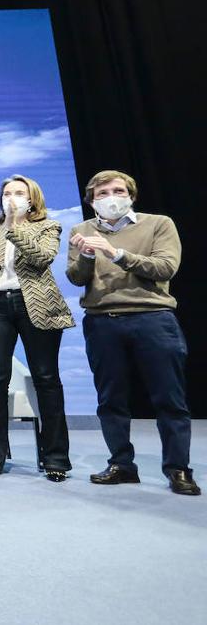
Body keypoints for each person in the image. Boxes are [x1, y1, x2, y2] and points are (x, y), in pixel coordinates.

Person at [66, 170, 198, 496]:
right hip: (102, 321)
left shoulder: (158, 224)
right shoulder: (82, 231)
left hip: (153, 318)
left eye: (118, 190)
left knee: (169, 398)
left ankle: (178, 469)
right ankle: (121, 465)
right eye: (102, 193)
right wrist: (85, 255)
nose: (111, 197)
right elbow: (76, 278)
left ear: (131, 195)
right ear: (91, 200)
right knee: (111, 399)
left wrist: (116, 253)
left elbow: (165, 267)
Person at [0, 175, 74, 481]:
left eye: (18, 193)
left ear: (32, 198)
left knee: (46, 379)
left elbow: (42, 259)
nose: (11, 198)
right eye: (6, 193)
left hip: (37, 307)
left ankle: (55, 459)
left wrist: (14, 229)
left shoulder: (48, 226)